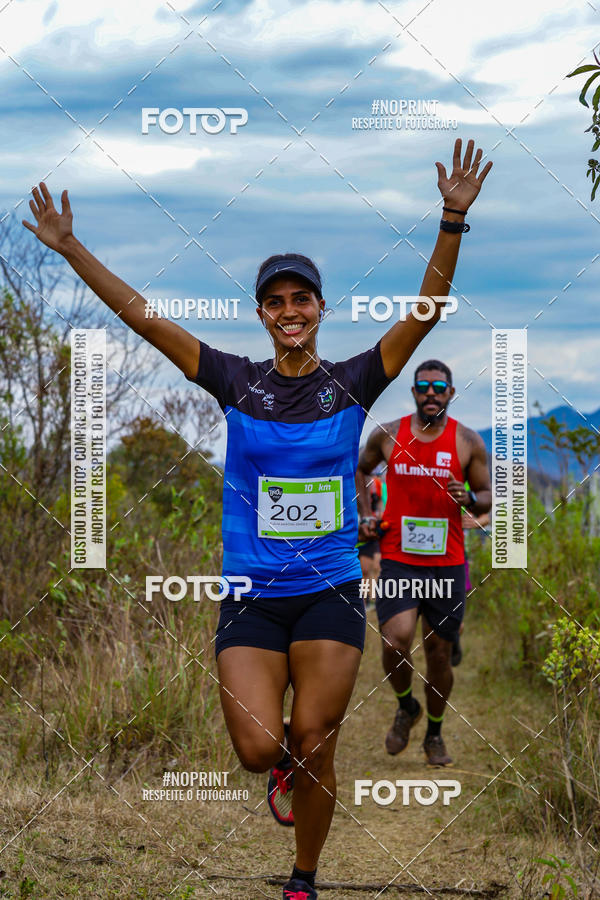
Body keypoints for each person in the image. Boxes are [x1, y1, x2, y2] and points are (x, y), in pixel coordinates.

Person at [23, 138, 492, 899]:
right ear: (262, 315)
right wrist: (70, 245)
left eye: (300, 299)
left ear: (318, 309)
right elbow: (143, 318)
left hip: (331, 594)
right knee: (258, 746)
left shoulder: (355, 383)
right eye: (275, 302)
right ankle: (279, 771)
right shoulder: (234, 381)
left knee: (317, 739)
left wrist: (451, 219)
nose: (289, 312)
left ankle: (303, 879)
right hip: (251, 596)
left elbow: (426, 314)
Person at [357, 360, 492, 767]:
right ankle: (406, 706)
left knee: (438, 651)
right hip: (399, 558)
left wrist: (468, 498)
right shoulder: (388, 435)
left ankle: (433, 732)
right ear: (414, 392)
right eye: (423, 387)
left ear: (450, 393)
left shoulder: (467, 441)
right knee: (394, 640)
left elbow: (487, 494)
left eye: (439, 387)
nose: (431, 393)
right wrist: (366, 515)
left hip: (447, 563)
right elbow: (361, 470)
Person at [356, 473, 386, 607]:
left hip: (369, 531)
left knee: (366, 570)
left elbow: (379, 500)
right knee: (359, 572)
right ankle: (360, 600)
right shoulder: (348, 479)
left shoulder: (376, 483)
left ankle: (366, 599)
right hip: (352, 533)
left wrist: (379, 512)